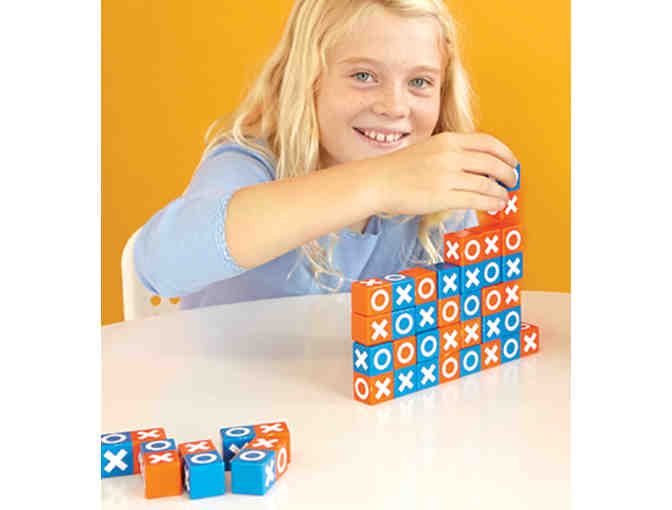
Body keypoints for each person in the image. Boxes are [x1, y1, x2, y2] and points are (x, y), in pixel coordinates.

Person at [134, 0, 518, 310]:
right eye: (363, 76)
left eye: (420, 82)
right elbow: (162, 264)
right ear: (308, 80)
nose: (394, 107)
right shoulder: (250, 161)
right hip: (223, 384)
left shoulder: (437, 198)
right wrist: (381, 182)